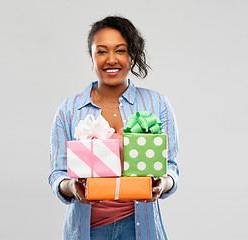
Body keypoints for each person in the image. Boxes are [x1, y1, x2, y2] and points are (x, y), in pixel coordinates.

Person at [49, 15, 179, 240]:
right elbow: (57, 174)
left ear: (132, 56)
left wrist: (162, 184)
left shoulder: (157, 104)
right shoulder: (69, 110)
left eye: (120, 50)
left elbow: (171, 167)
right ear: (91, 57)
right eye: (101, 51)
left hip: (140, 227)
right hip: (88, 229)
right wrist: (72, 186)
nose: (111, 59)